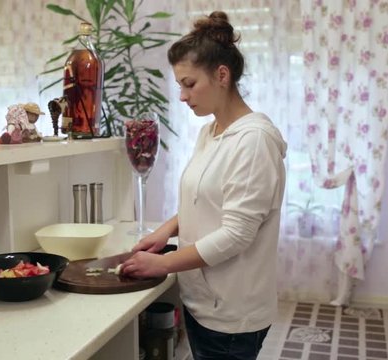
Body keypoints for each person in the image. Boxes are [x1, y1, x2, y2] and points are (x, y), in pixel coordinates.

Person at [120, 10, 287, 360]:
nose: (182, 96)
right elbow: (202, 200)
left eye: (189, 83)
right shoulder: (209, 133)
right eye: (180, 84)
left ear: (222, 75)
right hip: (202, 302)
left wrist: (164, 264)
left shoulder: (254, 141)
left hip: (232, 313)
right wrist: (166, 230)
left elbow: (237, 234)